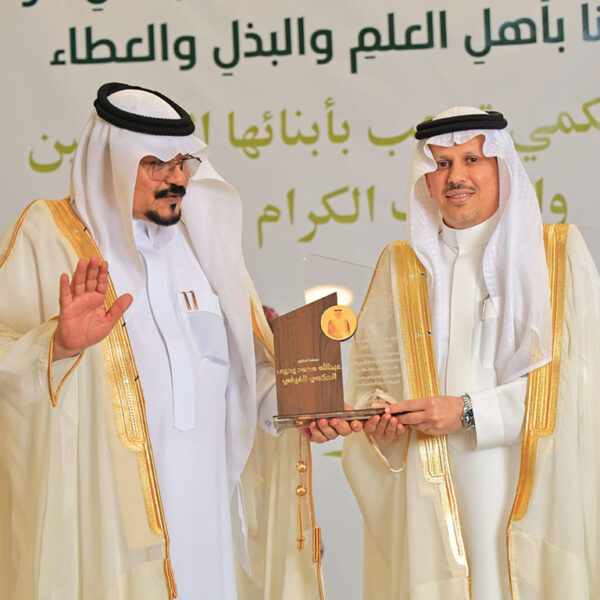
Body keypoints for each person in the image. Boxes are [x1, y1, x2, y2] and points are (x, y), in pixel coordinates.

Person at [0, 83, 320, 600]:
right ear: (110, 163)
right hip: (104, 528)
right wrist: (57, 346)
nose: (178, 179)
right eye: (156, 164)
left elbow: (241, 381)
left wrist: (300, 403)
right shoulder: (50, 237)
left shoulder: (202, 245)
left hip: (205, 519)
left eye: (183, 163)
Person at [307, 106, 600, 599]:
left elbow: (579, 387)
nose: (455, 177)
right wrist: (382, 427)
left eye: (472, 160)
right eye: (442, 164)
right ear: (425, 178)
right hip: (432, 506)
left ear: (501, 167)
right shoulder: (401, 268)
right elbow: (372, 389)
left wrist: (467, 412)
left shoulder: (557, 255)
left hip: (528, 497)